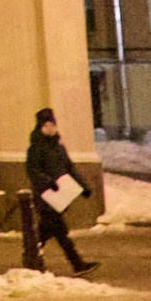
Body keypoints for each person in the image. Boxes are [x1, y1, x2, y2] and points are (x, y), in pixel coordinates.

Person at [25, 106, 97, 274]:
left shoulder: (58, 148)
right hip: (46, 196)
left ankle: (31, 258)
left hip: (60, 196)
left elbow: (69, 169)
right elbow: (33, 171)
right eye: (46, 126)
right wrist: (49, 183)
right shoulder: (35, 148)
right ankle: (77, 264)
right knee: (60, 231)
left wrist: (83, 187)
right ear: (40, 127)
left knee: (47, 230)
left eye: (52, 125)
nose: (50, 129)